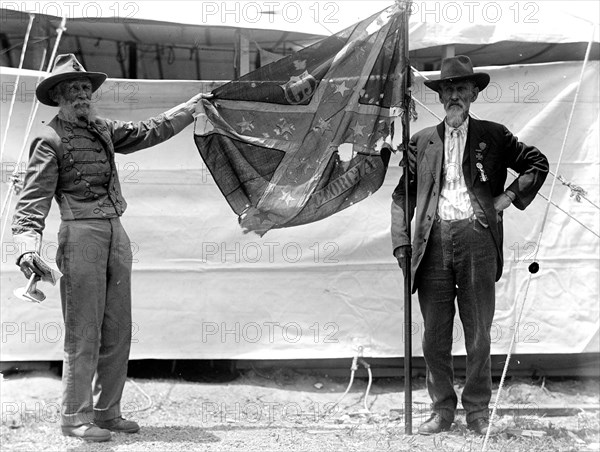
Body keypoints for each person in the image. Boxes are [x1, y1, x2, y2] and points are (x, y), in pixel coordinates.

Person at [12, 54, 210, 442]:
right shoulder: (47, 139)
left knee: (118, 328)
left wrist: (189, 110)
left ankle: (107, 411)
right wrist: (26, 248)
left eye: (86, 88)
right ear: (59, 97)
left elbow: (147, 130)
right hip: (80, 234)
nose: (83, 95)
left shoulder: (102, 129)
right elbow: (31, 202)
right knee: (84, 331)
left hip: (116, 234)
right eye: (74, 90)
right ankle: (74, 416)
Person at [391, 55, 549, 435]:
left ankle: (477, 410)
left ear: (475, 93)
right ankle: (441, 410)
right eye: (448, 89)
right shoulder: (421, 141)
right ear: (441, 95)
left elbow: (537, 164)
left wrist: (505, 199)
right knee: (434, 335)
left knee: (478, 331)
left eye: (462, 88)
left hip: (478, 239)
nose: (454, 96)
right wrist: (401, 245)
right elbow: (403, 197)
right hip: (432, 243)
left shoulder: (494, 136)